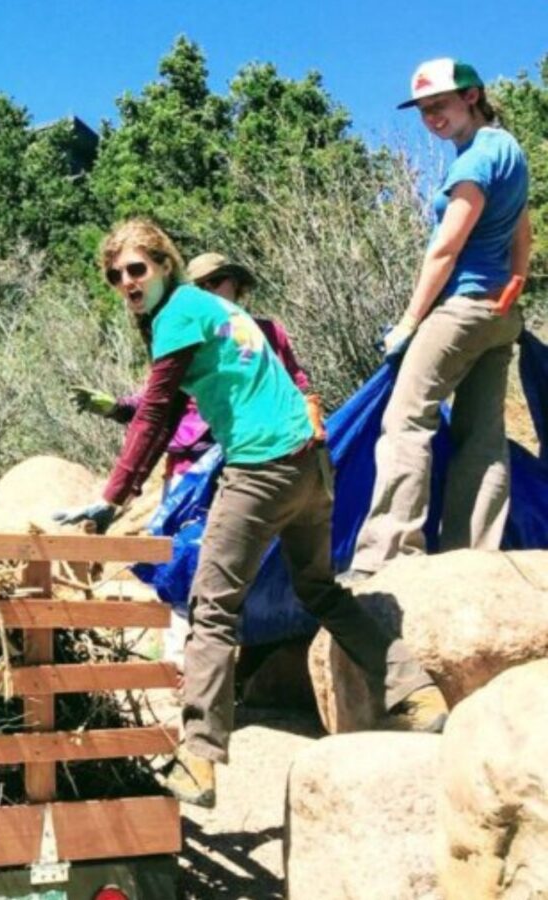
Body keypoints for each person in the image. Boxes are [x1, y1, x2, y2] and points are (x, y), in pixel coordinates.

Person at [54, 219, 447, 809]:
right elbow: (178, 403)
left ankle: (199, 758)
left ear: (164, 263)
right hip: (311, 468)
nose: (127, 282)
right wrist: (125, 463)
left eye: (137, 268)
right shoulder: (217, 313)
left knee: (212, 611)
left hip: (261, 469)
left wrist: (112, 498)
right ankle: (416, 692)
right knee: (318, 588)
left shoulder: (179, 314)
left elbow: (159, 412)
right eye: (115, 276)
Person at [349, 59, 531, 577]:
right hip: (497, 313)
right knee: (482, 436)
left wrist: (409, 321)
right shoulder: (508, 150)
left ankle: (387, 555)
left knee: (405, 421)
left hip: (460, 309)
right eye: (425, 110)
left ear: (472, 96)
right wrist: (513, 287)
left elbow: (445, 248)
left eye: (441, 105)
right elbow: (523, 232)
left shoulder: (475, 160)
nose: (432, 117)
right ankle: (473, 559)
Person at [68, 254, 318, 490]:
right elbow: (158, 398)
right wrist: (117, 407)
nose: (208, 289)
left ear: (236, 284)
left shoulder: (268, 331)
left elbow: (297, 384)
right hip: (193, 455)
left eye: (216, 281)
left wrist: (311, 420)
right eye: (199, 286)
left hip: (261, 448)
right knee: (179, 530)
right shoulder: (185, 333)